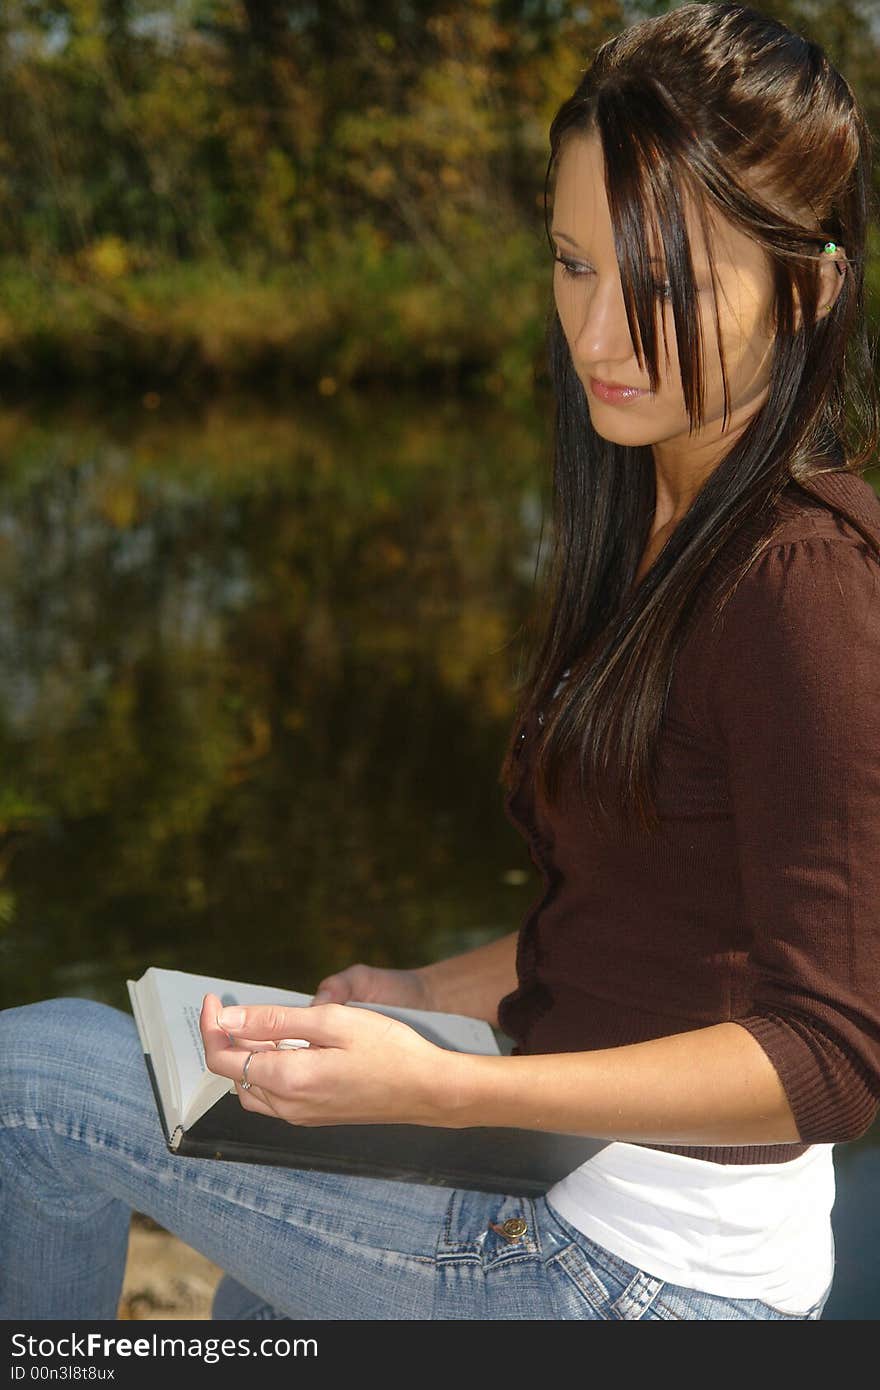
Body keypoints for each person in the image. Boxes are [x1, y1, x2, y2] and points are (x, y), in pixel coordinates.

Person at [1, 2, 878, 1322]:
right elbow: (650, 918)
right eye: (573, 264)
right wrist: (422, 994)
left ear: (804, 289)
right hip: (563, 1184)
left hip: (647, 1278)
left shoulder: (803, 588)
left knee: (31, 1088)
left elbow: (834, 1055)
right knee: (248, 1306)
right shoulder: (661, 526)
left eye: (662, 284)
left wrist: (450, 1084)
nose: (596, 337)